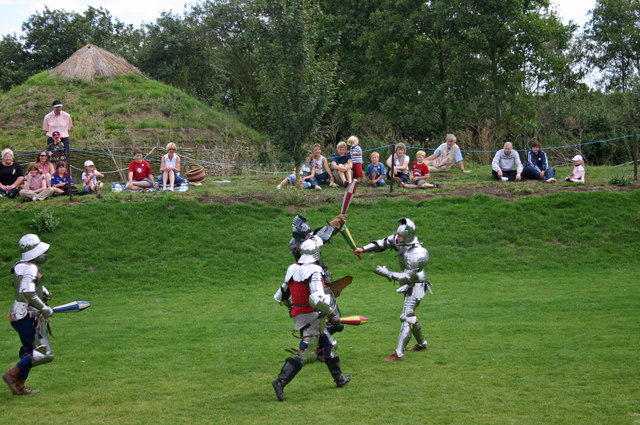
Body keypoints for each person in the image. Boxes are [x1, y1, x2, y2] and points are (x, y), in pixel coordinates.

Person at [271, 237, 352, 402]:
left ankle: (339, 379)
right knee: (307, 354)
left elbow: (281, 295)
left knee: (330, 345)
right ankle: (280, 381)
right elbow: (316, 299)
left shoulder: (293, 268)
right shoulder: (315, 270)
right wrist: (333, 315)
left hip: (302, 314)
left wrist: (292, 309)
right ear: (316, 253)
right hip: (312, 316)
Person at [354, 218, 432, 361]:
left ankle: (398, 353)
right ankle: (422, 344)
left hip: (418, 285)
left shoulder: (417, 253)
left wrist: (387, 273)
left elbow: (408, 277)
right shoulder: (401, 242)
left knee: (406, 317)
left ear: (408, 236)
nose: (397, 237)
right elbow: (383, 243)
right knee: (410, 315)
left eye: (400, 236)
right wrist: (364, 249)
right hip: (410, 284)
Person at [3, 234, 55, 395]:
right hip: (27, 315)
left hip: (22, 314)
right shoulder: (30, 267)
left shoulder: (21, 265)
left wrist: (43, 291)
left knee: (29, 351)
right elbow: (27, 292)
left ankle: (19, 385)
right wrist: (44, 308)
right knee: (44, 353)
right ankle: (11, 375)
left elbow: (28, 286)